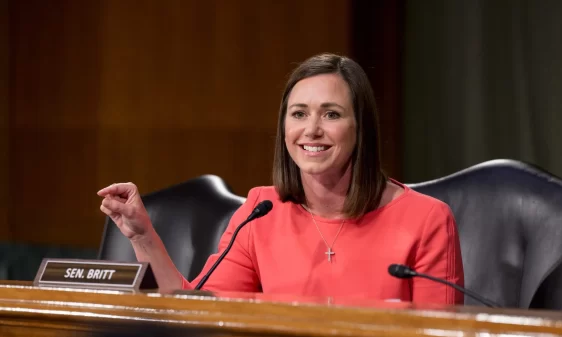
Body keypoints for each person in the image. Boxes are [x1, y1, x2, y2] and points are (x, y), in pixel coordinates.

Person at [98, 53, 464, 304]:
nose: (312, 130)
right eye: (299, 114)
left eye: (332, 114)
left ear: (361, 128)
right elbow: (198, 312)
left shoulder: (426, 220)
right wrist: (144, 236)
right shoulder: (262, 212)